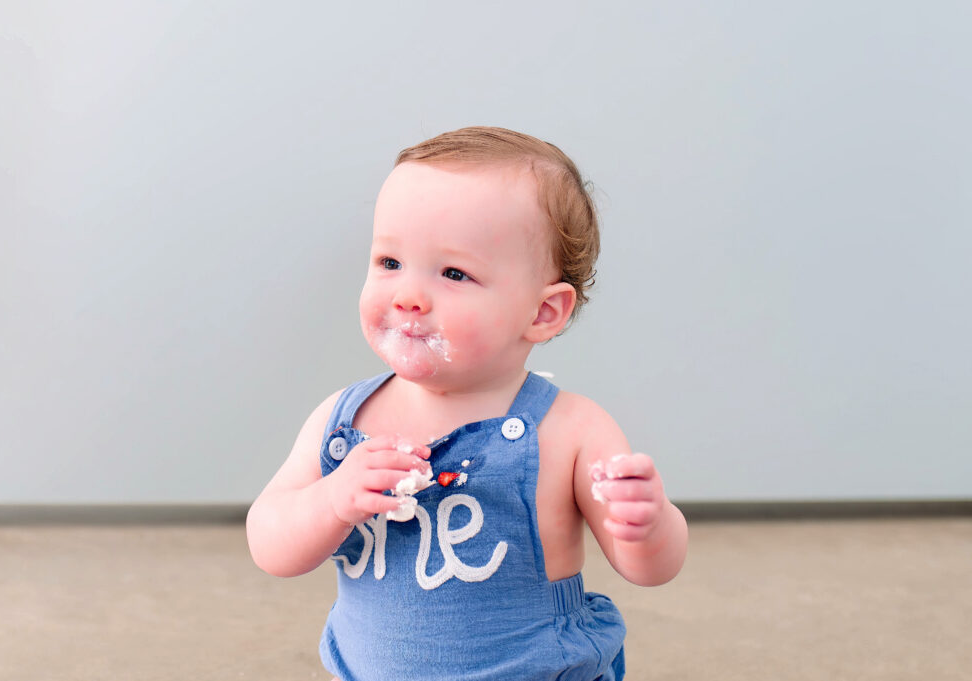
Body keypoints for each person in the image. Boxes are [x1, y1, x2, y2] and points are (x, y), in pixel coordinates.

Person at [246, 126, 688, 681]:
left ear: (543, 313)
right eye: (389, 263)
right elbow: (270, 544)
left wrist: (646, 526)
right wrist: (333, 500)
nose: (407, 294)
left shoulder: (570, 429)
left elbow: (648, 570)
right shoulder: (344, 420)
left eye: (454, 273)